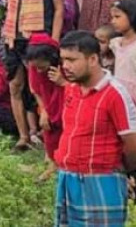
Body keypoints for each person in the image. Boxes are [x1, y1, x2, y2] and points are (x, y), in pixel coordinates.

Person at [54, 31, 136, 227]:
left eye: (72, 60)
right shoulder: (71, 89)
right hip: (68, 177)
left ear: (92, 59)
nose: (65, 66)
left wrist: (126, 172)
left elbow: (132, 143)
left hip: (101, 180)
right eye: (63, 60)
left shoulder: (114, 94)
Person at [1, 0, 66, 151]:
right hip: (13, 34)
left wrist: (54, 42)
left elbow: (59, 8)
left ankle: (50, 134)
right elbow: (9, 2)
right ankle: (23, 136)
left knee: (42, 86)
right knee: (15, 84)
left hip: (40, 36)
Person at [23, 33, 65, 181]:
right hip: (48, 103)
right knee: (48, 129)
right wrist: (44, 111)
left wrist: (62, 82)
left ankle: (59, 166)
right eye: (36, 67)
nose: (39, 71)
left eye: (42, 67)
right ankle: (52, 164)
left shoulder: (64, 66)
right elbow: (35, 90)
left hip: (65, 102)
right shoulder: (34, 67)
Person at [110, 0, 136, 98]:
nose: (113, 21)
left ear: (132, 16)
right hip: (120, 95)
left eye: (117, 17)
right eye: (112, 17)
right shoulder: (116, 44)